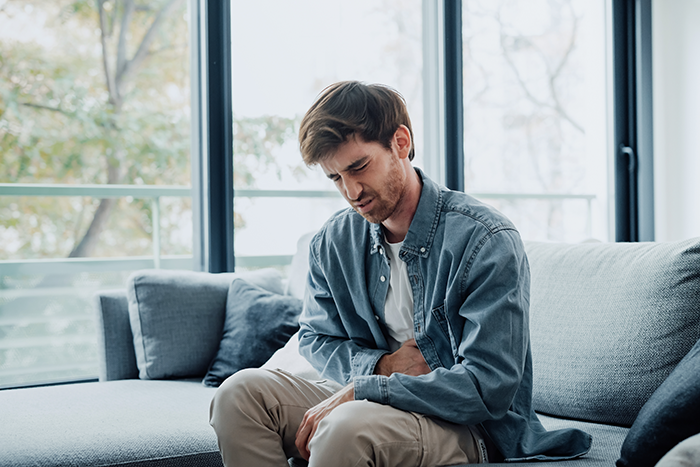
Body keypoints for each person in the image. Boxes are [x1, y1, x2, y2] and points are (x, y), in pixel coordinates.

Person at [209, 81, 592, 466]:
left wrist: (368, 390)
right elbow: (315, 337)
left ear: (401, 143)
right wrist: (378, 370)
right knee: (237, 395)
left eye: (359, 167)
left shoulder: (485, 239)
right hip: (366, 402)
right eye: (335, 178)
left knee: (345, 427)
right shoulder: (333, 242)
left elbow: (489, 386)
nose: (351, 191)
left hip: (464, 423)